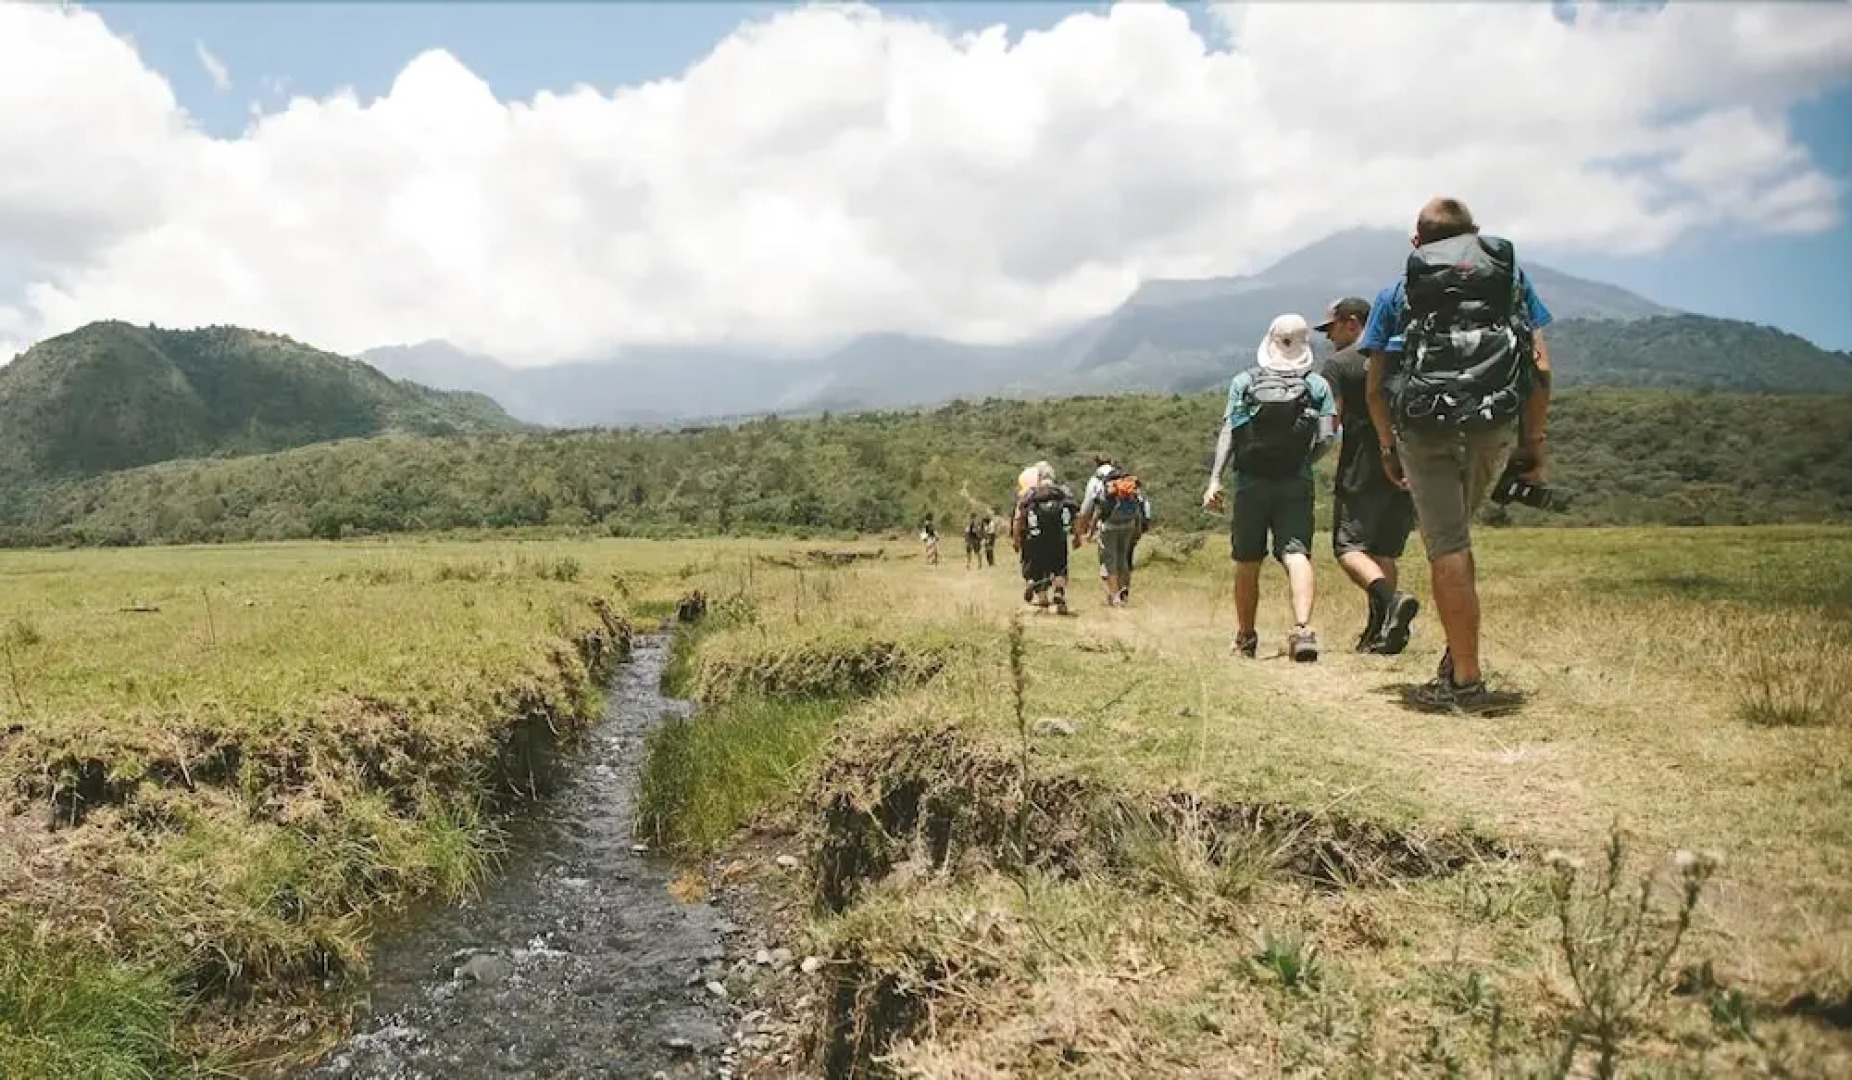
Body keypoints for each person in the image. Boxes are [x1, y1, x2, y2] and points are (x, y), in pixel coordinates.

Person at [1360, 197, 1554, 710]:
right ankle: (1456, 658)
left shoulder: (1398, 292)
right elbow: (1540, 369)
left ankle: (1465, 679)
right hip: (1493, 424)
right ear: (1475, 234)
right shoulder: (1511, 281)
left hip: (1425, 430)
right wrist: (1533, 445)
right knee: (1458, 540)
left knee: (1447, 545)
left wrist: (1387, 445)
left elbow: (1375, 385)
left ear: (1417, 243)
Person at [1201, 313, 1337, 661]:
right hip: (1295, 480)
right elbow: (1327, 438)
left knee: (1248, 560)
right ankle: (1303, 630)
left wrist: (1215, 478)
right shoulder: (1317, 386)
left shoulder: (1244, 382)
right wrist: (1305, 462)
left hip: (1250, 481)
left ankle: (1246, 637)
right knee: (1296, 553)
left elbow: (1229, 432)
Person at [1316, 297, 1420, 653]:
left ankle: (1391, 602)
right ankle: (1384, 632)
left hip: (1362, 466)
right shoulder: (1400, 357)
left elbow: (1330, 422)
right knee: (1384, 550)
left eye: (1331, 329)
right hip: (1409, 464)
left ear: (1351, 322)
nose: (1329, 338)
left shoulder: (1339, 364)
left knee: (1348, 548)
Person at [1078, 453, 1149, 607]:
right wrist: (1140, 526)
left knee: (1110, 560)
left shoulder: (1097, 480)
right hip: (1129, 524)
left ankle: (1115, 596)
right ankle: (1124, 593)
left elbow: (1091, 507)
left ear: (1096, 464)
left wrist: (1087, 531)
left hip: (1109, 526)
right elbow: (1141, 502)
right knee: (1123, 558)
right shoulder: (1125, 478)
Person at [1011, 463, 1080, 615]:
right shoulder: (1063, 491)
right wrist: (1077, 535)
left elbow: (1018, 517)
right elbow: (1075, 514)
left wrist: (1016, 538)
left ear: (1039, 477)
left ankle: (1040, 594)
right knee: (1059, 566)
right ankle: (1059, 591)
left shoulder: (1030, 493)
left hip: (1035, 537)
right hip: (1058, 536)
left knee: (1037, 567)